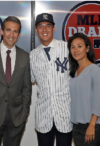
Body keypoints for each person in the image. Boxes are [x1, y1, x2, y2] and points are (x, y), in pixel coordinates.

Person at [0, 16, 32, 146]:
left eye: (15, 31)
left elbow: (27, 89)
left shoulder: (25, 56)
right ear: (2, 31)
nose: (11, 35)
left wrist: (24, 115)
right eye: (8, 30)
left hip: (16, 119)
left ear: (19, 34)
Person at [30, 13, 72, 146]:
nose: (44, 30)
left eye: (48, 26)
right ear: (36, 30)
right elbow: (29, 79)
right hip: (43, 115)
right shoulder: (33, 55)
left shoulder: (67, 48)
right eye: (40, 26)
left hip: (65, 113)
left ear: (54, 28)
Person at [68, 33, 100, 146]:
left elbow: (98, 100)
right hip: (76, 127)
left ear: (87, 48)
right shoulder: (73, 73)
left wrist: (92, 125)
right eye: (73, 47)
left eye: (79, 46)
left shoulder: (95, 70)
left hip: (91, 126)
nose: (76, 50)